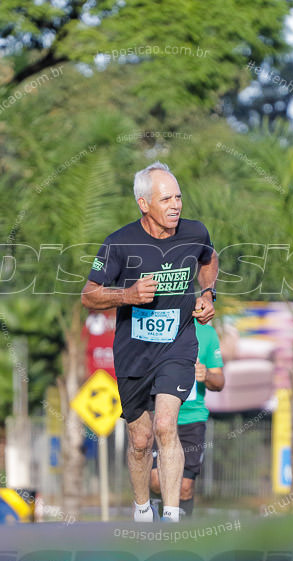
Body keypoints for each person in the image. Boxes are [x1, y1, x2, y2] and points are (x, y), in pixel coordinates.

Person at [81, 161, 218, 522]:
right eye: (166, 199)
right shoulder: (119, 243)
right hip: (134, 352)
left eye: (178, 197)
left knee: (164, 426)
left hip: (178, 344)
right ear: (144, 203)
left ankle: (171, 517)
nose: (176, 205)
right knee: (140, 440)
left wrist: (207, 293)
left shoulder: (194, 232)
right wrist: (127, 295)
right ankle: (143, 510)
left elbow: (209, 258)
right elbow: (89, 295)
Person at [149, 319, 224, 518]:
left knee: (185, 487)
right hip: (161, 417)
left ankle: (180, 535)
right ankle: (152, 525)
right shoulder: (159, 325)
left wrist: (206, 374)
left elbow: (219, 381)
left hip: (192, 420)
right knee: (156, 479)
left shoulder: (207, 334)